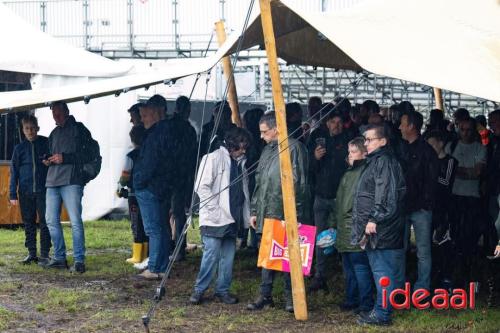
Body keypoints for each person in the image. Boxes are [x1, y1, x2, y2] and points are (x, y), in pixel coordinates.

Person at [247, 112, 311, 313]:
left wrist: (297, 216)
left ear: (276, 129)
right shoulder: (267, 150)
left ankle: (291, 297)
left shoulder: (295, 148)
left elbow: (300, 183)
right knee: (267, 256)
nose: (261, 136)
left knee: (289, 257)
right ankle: (265, 295)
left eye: (264, 131)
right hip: (268, 210)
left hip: (289, 212)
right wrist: (256, 210)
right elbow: (259, 181)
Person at [189, 127, 252, 305]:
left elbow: (244, 190)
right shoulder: (213, 158)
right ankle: (199, 290)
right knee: (211, 254)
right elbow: (201, 186)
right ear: (232, 143)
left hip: (233, 217)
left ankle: (222, 290)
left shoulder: (240, 162)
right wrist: (215, 209)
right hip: (215, 218)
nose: (244, 150)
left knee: (228, 256)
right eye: (242, 145)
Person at [352, 124, 406, 326]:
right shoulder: (377, 161)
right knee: (382, 270)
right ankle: (381, 309)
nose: (365, 143)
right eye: (364, 140)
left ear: (382, 141)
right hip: (381, 226)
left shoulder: (384, 161)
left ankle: (382, 314)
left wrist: (374, 218)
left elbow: (386, 194)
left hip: (383, 227)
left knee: (383, 272)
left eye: (369, 139)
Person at [43, 101, 99, 273]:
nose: (56, 117)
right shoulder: (53, 133)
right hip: (52, 180)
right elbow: (52, 154)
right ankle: (59, 257)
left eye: (58, 114)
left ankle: (79, 260)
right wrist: (48, 160)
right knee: (51, 220)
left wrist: (65, 158)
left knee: (75, 221)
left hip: (72, 180)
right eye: (53, 114)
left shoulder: (79, 129)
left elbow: (91, 153)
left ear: (67, 111)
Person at [395, 109, 439, 292]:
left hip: (420, 207)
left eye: (402, 123)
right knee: (400, 249)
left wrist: (425, 202)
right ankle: (399, 287)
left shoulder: (427, 151)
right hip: (405, 205)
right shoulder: (402, 147)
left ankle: (421, 289)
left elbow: (432, 180)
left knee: (423, 251)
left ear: (411, 126)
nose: (399, 127)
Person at [133, 98, 177, 280]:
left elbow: (149, 164)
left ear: (155, 113)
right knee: (162, 228)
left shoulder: (155, 135)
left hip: (150, 187)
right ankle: (161, 265)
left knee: (154, 229)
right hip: (162, 186)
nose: (141, 120)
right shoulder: (168, 131)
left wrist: (138, 181)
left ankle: (155, 267)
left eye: (144, 115)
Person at [330, 137, 374, 314]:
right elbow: (339, 201)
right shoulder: (349, 173)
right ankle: (352, 299)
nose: (349, 155)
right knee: (349, 267)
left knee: (360, 267)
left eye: (354, 152)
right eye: (349, 152)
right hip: (344, 226)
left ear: (364, 153)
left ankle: (365, 303)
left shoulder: (365, 172)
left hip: (355, 226)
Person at [309, 111, 349, 292]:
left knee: (343, 235)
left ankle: (346, 273)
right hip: (321, 195)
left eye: (340, 121)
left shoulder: (348, 140)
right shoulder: (318, 138)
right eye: (334, 121)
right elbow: (309, 169)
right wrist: (315, 158)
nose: (337, 125)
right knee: (320, 237)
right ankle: (320, 275)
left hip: (340, 197)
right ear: (327, 122)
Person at [445, 117, 487, 287]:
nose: (465, 133)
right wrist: (466, 171)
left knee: (469, 237)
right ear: (458, 129)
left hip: (472, 198)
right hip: (454, 197)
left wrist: (457, 169)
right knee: (454, 235)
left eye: (469, 130)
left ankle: (467, 274)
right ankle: (455, 273)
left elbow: (476, 173)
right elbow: (449, 170)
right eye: (463, 129)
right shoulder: (452, 146)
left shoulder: (480, 148)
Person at [9, 115, 51, 266]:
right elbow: (14, 172)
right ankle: (32, 253)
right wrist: (12, 193)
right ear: (23, 130)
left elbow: (53, 162)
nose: (30, 131)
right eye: (27, 128)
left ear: (37, 128)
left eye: (33, 128)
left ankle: (45, 254)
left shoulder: (46, 143)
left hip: (44, 190)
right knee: (29, 222)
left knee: (46, 222)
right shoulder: (19, 149)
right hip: (25, 192)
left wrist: (49, 162)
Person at [425, 130, 458, 288]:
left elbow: (446, 182)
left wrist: (430, 176)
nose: (429, 147)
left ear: (440, 143)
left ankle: (445, 275)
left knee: (443, 241)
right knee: (428, 242)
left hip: (444, 208)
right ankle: (433, 274)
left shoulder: (450, 161)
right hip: (429, 206)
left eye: (431, 144)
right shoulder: (429, 160)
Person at [170, 96, 198, 261]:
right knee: (178, 213)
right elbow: (192, 155)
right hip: (180, 175)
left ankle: (176, 247)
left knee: (176, 212)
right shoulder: (187, 129)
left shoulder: (172, 126)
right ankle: (178, 248)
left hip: (176, 175)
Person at [117, 125, 148, 265]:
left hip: (134, 195)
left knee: (136, 223)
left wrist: (119, 186)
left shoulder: (131, 156)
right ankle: (147, 254)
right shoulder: (149, 153)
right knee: (147, 223)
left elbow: (125, 175)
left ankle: (137, 255)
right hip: (148, 193)